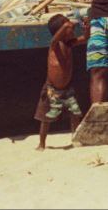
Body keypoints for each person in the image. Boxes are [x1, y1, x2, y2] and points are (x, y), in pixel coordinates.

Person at [35, 12, 88, 150]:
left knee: (75, 114)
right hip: (51, 89)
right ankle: (42, 143)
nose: (72, 29)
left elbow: (86, 38)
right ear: (62, 30)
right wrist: (66, 25)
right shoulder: (55, 45)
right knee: (45, 117)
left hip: (67, 88)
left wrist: (86, 27)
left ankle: (75, 139)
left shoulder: (69, 44)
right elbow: (54, 38)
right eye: (68, 27)